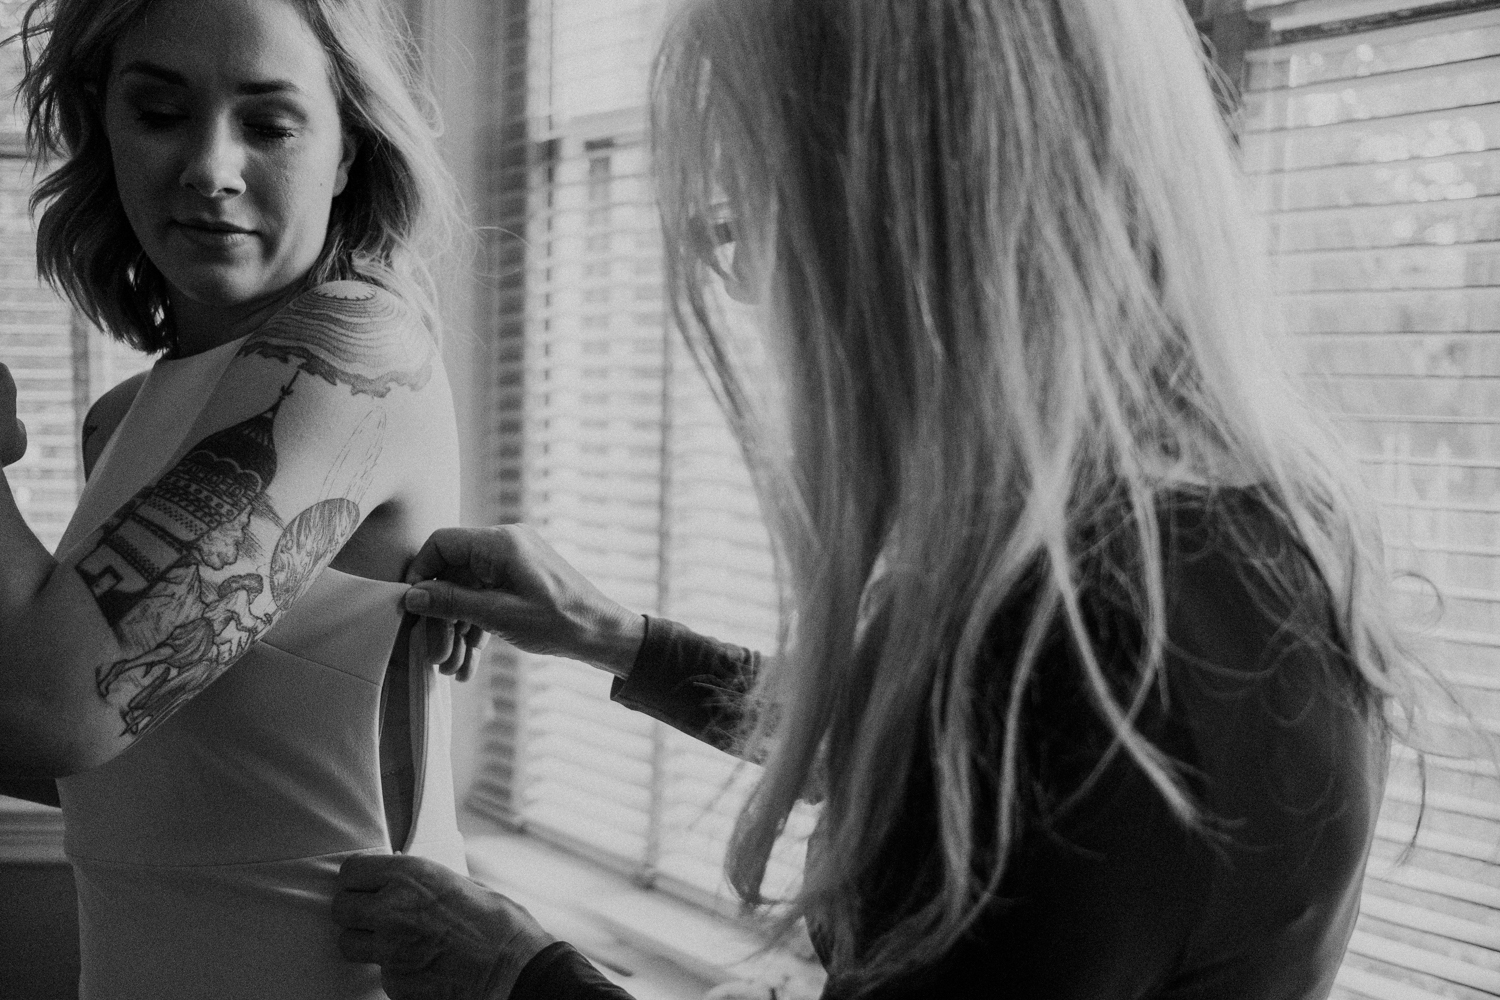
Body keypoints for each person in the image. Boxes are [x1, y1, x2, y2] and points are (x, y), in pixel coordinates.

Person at [333, 0, 1418, 997]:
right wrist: (619, 638)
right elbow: (974, 801)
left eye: (751, 216)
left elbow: (1002, 769)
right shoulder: (1256, 528)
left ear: (894, 225)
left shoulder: (1065, 647)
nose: (754, 288)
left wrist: (519, 976)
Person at [0, 0, 472, 997]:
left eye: (268, 121)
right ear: (104, 125)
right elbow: (113, 771)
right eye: (159, 111)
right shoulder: (128, 414)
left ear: (349, 146)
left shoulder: (351, 359)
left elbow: (53, 708)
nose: (210, 168)